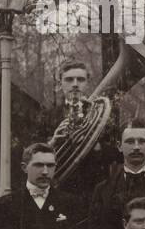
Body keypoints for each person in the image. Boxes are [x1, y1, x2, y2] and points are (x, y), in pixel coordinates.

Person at [46, 60, 118, 195]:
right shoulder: (48, 115)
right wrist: (53, 142)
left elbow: (116, 154)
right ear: (60, 83)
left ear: (87, 83)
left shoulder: (101, 115)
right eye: (69, 79)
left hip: (95, 188)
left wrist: (95, 145)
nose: (75, 84)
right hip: (60, 188)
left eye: (80, 79)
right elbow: (32, 153)